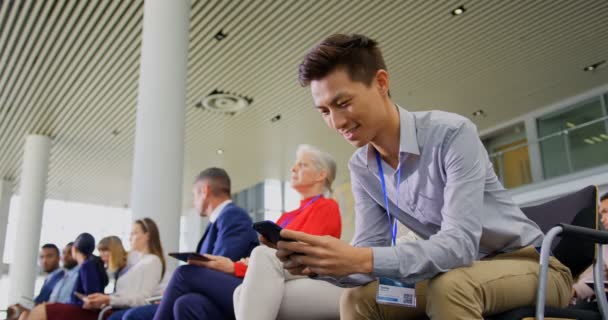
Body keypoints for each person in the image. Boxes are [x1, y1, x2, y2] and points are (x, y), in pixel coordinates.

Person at [275, 33, 573, 319]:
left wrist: (361, 257)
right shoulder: (362, 167)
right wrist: (323, 264)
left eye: (343, 103)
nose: (336, 121)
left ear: (381, 83)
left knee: (451, 288)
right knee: (357, 300)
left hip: (533, 266)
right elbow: (367, 253)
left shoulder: (452, 134)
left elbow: (459, 245)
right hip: (457, 272)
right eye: (324, 111)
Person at [123, 168, 259, 320]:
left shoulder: (233, 216)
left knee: (183, 274)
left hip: (239, 291)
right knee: (184, 303)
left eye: (194, 195)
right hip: (218, 294)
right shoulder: (216, 222)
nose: (193, 201)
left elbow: (220, 264)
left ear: (204, 190)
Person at [233, 144, 344, 320]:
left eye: (302, 165)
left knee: (261, 254)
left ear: (321, 175)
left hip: (313, 275)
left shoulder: (327, 206)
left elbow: (308, 252)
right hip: (285, 271)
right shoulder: (287, 216)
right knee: (240, 291)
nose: (293, 168)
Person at [28, 233, 109, 320]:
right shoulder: (89, 265)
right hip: (78, 306)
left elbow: (91, 294)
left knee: (39, 311)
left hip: (81, 309)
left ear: (75, 249)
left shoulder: (86, 266)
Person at [10, 244, 69, 320]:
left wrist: (25, 310)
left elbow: (46, 304)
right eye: (42, 257)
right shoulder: (50, 278)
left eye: (49, 256)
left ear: (59, 258)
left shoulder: (61, 278)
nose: (44, 261)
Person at [571, 192, 608, 311]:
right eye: (601, 213)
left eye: (605, 212)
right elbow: (595, 278)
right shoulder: (605, 246)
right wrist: (572, 292)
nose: (602, 219)